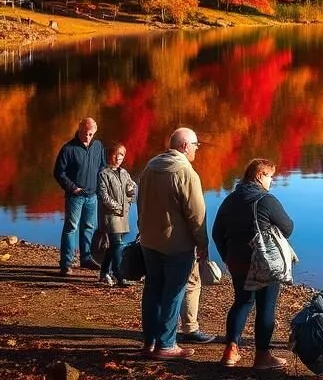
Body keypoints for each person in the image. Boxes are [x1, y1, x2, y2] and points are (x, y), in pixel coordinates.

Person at [213, 158, 294, 370]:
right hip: (264, 262)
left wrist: (227, 257)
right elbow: (288, 227)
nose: (272, 182)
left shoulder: (230, 200)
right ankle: (262, 357)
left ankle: (230, 350)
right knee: (266, 306)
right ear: (259, 176)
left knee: (242, 302)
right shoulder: (266, 200)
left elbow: (216, 232)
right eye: (270, 176)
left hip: (237, 262)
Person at [137, 127, 209, 360]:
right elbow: (197, 215)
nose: (197, 149)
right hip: (176, 245)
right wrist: (202, 243)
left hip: (149, 241)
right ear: (184, 146)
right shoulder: (185, 173)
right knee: (173, 293)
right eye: (196, 145)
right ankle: (167, 345)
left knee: (152, 290)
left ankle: (149, 342)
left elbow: (139, 202)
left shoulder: (150, 167)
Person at [53, 117, 105, 275]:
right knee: (71, 228)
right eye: (84, 133)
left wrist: (100, 189)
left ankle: (86, 258)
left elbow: (102, 167)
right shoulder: (68, 149)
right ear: (79, 130)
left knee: (89, 227)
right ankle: (66, 263)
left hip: (92, 195)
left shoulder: (98, 146)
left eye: (90, 134)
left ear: (94, 132)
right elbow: (58, 173)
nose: (87, 137)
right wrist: (72, 188)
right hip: (75, 196)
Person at [96, 142, 136, 286]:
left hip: (123, 215)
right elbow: (103, 196)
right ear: (109, 156)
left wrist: (130, 199)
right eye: (116, 154)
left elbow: (132, 188)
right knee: (118, 244)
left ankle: (104, 272)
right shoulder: (103, 174)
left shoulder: (124, 173)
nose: (119, 157)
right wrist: (118, 207)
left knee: (114, 246)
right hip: (110, 216)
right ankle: (119, 275)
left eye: (121, 155)